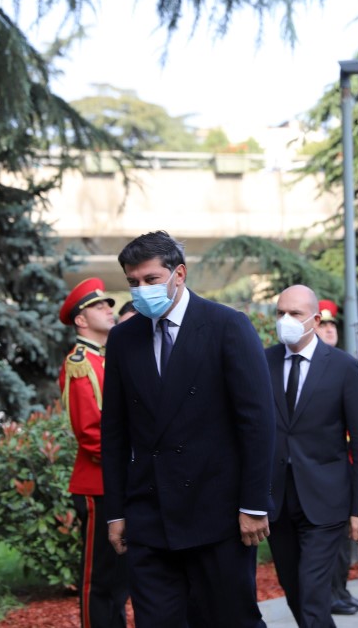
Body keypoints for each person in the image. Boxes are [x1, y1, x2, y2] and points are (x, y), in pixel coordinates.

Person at [101, 231, 275, 627]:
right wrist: (116, 513)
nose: (141, 290)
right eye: (132, 282)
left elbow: (258, 423)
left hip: (219, 515)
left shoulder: (227, 326)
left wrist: (254, 504)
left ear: (179, 274)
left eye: (150, 279)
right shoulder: (124, 338)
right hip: (149, 515)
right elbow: (114, 433)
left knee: (230, 621)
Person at [264, 285, 358, 627]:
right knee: (295, 591)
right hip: (277, 500)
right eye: (280, 313)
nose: (286, 320)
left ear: (316, 319)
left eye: (295, 313)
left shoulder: (342, 367)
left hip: (325, 501)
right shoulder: (263, 361)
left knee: (312, 593)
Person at [58, 278, 128, 628]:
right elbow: (89, 434)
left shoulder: (105, 359)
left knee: (119, 578)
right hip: (97, 485)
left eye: (108, 304)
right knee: (99, 578)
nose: (108, 309)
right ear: (81, 320)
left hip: (119, 482)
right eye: (99, 306)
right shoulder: (80, 362)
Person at [314, 298, 358, 616]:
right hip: (325, 469)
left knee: (344, 537)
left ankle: (340, 590)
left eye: (331, 325)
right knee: (332, 539)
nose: (328, 330)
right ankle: (332, 593)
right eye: (323, 324)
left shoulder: (343, 365)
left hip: (348, 466)